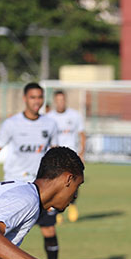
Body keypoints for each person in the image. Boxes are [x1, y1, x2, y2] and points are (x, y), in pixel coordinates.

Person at [0, 82, 59, 259]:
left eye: (40, 97)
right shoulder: (11, 124)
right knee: (3, 230)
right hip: (15, 185)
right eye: (33, 97)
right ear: (25, 99)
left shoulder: (50, 124)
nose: (37, 102)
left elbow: (55, 153)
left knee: (49, 230)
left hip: (40, 188)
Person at [47, 90, 86, 222]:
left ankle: (73, 206)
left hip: (72, 154)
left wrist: (81, 153)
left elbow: (82, 134)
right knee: (57, 184)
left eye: (62, 100)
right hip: (56, 157)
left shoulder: (74, 116)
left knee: (74, 182)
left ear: (65, 101)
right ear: (54, 101)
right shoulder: (49, 117)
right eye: (58, 100)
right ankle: (57, 211)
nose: (60, 103)